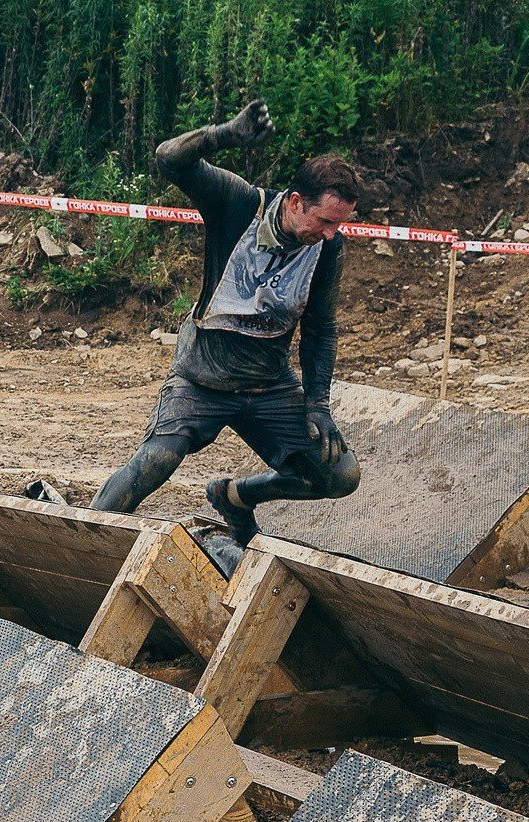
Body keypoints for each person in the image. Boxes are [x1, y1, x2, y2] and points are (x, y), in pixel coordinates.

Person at [93, 99, 362, 546]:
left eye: (340, 224)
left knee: (340, 475)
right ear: (296, 203)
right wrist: (224, 135)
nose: (332, 234)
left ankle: (235, 497)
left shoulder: (327, 249)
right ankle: (82, 539)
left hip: (268, 386)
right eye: (326, 222)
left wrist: (318, 404)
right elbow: (168, 158)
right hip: (201, 379)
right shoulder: (238, 204)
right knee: (154, 464)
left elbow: (321, 328)